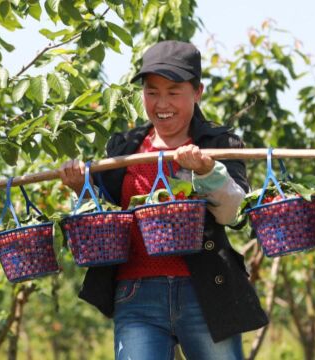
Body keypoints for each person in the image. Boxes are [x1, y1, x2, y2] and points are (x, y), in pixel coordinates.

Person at [59, 40, 268, 359]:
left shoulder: (218, 144)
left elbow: (231, 212)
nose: (162, 103)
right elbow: (106, 215)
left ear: (197, 93)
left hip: (206, 292)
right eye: (152, 91)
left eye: (173, 92)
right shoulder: (125, 148)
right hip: (137, 294)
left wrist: (208, 170)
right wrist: (81, 188)